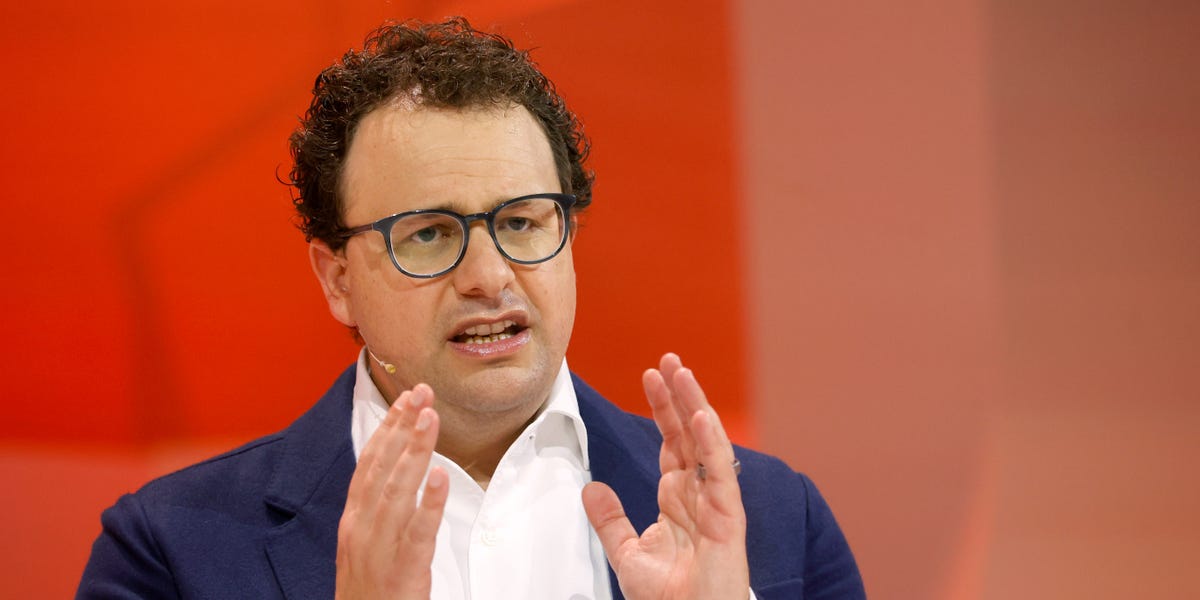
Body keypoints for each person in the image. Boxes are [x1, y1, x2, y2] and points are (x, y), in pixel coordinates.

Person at [77, 18, 865, 600]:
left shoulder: (775, 521)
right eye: (429, 233)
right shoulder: (171, 552)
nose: (489, 277)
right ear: (337, 278)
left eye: (521, 222)